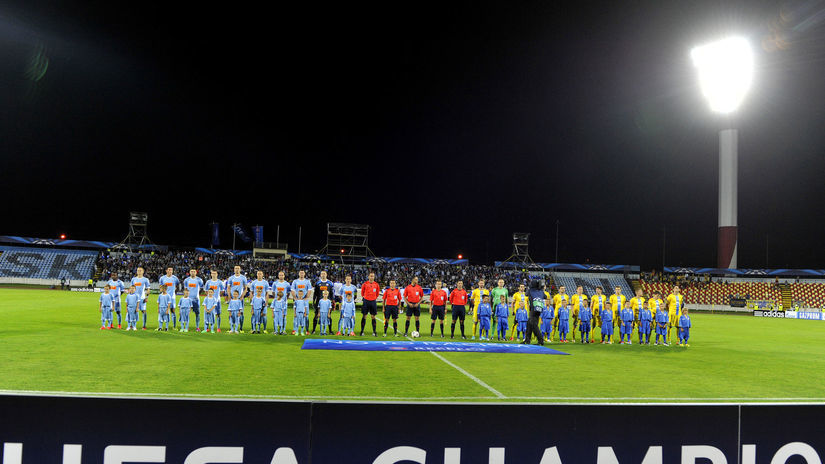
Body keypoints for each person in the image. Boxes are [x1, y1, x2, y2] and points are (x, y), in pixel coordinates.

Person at [522, 279, 546, 345]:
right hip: (539, 309)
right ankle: (527, 340)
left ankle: (540, 340)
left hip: (533, 309)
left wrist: (529, 288)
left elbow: (526, 294)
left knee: (534, 325)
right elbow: (545, 296)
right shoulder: (541, 291)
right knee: (529, 324)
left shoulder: (531, 290)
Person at [226, 266, 248, 333]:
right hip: (232, 299)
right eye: (235, 268)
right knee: (231, 313)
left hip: (240, 298)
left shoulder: (243, 278)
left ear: (240, 269)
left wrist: (242, 296)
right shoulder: (231, 278)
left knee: (241, 313)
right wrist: (229, 296)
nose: (237, 269)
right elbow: (228, 288)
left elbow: (246, 288)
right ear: (234, 269)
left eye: (238, 268)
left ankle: (240, 328)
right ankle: (232, 328)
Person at [312, 270, 334, 335]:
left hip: (327, 303)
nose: (323, 275)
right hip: (319, 302)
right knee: (316, 316)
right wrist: (314, 301)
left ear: (326, 275)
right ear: (320, 275)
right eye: (322, 274)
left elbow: (332, 293)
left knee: (329, 316)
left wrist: (332, 301)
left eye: (324, 274)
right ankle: (313, 330)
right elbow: (315, 293)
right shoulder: (317, 283)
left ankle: (330, 330)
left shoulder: (330, 283)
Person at [360, 271, 380, 336]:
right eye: (370, 276)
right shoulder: (365, 284)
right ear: (368, 276)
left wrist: (373, 298)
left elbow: (377, 294)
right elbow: (362, 293)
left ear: (374, 277)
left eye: (373, 276)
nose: (371, 277)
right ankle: (362, 331)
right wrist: (366, 297)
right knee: (364, 316)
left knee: (373, 316)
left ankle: (374, 332)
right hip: (366, 301)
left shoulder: (376, 285)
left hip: (373, 301)